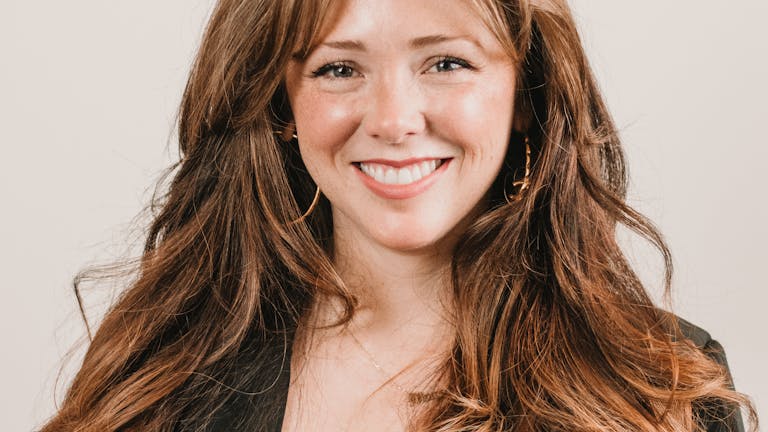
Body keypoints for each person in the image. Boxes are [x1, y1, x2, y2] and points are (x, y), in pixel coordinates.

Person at [41, 0, 757, 431]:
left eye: (446, 62)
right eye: (338, 68)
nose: (392, 120)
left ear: (527, 93)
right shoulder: (161, 373)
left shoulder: (662, 389)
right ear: (278, 104)